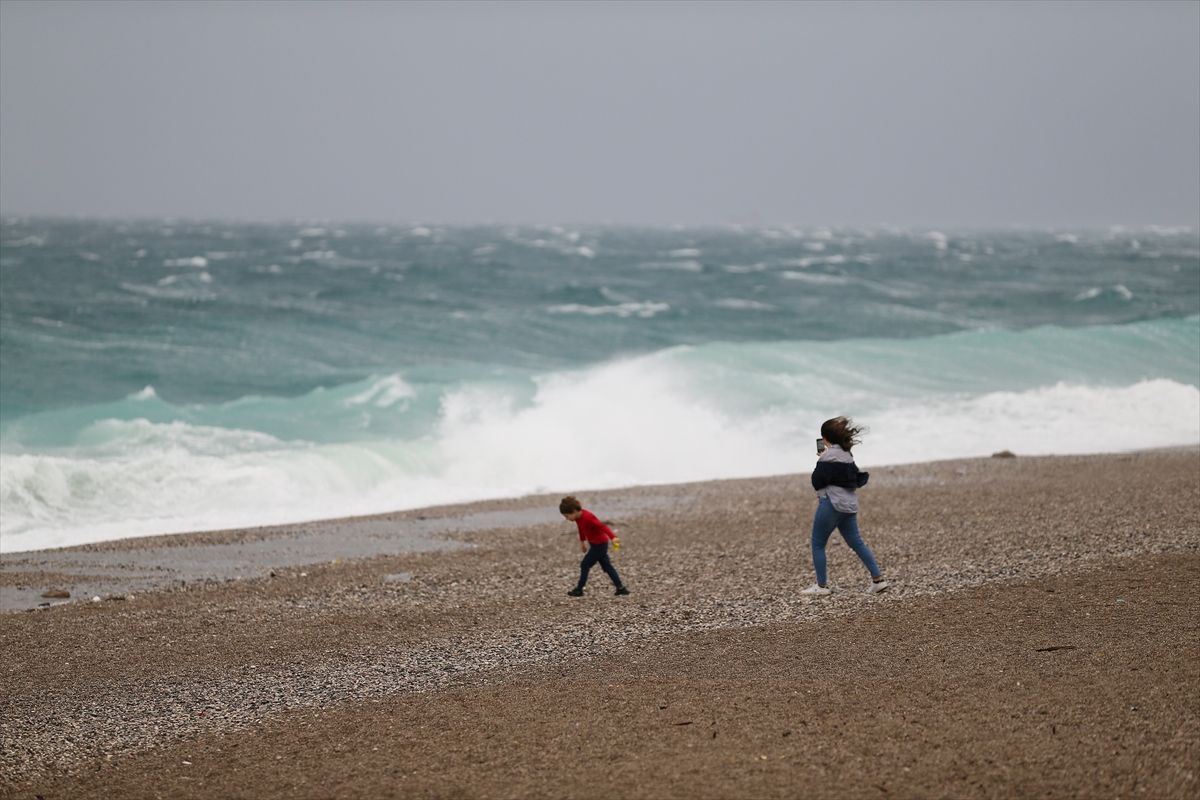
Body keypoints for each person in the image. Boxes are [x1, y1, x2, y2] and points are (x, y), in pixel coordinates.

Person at [801, 417, 890, 596]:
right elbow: (855, 478)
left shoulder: (827, 457)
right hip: (849, 504)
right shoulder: (847, 455)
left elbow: (816, 481)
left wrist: (822, 459)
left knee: (818, 543)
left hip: (832, 503)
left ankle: (821, 586)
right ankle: (878, 580)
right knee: (856, 542)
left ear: (825, 439)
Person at [560, 496, 630, 597]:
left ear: (574, 511)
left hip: (600, 544)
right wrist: (582, 542)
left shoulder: (588, 517)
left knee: (585, 564)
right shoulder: (578, 518)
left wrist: (613, 537)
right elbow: (581, 528)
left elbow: (602, 526)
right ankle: (620, 588)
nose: (566, 519)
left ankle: (579, 589)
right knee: (607, 566)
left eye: (567, 516)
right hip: (594, 544)